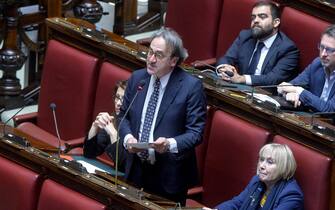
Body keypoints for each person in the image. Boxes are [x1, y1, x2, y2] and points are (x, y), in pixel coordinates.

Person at [118, 27, 207, 205]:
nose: (150, 59)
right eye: (150, 52)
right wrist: (128, 138)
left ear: (173, 60)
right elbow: (122, 116)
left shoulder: (191, 87)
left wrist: (169, 144)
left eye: (158, 55)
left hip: (168, 175)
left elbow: (196, 133)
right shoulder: (137, 78)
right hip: (135, 168)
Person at [216, 1, 299, 86]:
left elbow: (273, 79)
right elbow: (227, 58)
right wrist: (224, 67)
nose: (255, 20)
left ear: (276, 22)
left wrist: (242, 79)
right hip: (237, 90)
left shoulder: (288, 49)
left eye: (262, 17)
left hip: (265, 95)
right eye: (253, 17)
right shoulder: (245, 36)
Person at [204, 143, 304, 210]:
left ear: (283, 167)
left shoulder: (291, 195)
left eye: (270, 162)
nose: (262, 166)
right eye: (261, 159)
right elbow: (237, 203)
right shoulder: (257, 181)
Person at [277, 24, 335, 112]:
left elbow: (329, 110)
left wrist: (299, 91)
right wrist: (289, 94)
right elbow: (288, 86)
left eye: (329, 50)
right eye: (322, 47)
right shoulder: (317, 64)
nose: (323, 54)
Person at [83, 80, 128, 172]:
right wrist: (95, 126)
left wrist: (113, 133)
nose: (118, 103)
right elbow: (89, 153)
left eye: (123, 99)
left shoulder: (138, 126)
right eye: (117, 97)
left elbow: (123, 164)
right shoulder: (115, 119)